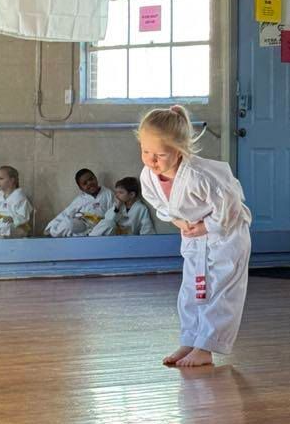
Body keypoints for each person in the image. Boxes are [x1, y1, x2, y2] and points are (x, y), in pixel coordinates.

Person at [138, 106, 251, 369]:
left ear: (180, 150)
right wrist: (179, 221)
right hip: (193, 236)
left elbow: (231, 207)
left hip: (227, 236)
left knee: (220, 290)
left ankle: (206, 347)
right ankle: (190, 339)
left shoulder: (201, 175)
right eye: (145, 151)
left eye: (160, 154)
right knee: (191, 288)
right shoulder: (148, 176)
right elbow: (159, 204)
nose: (152, 160)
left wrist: (206, 226)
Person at [44, 168, 116, 237]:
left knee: (110, 224)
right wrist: (51, 227)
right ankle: (54, 234)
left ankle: (89, 238)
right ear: (81, 188)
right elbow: (66, 213)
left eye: (91, 179)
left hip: (99, 227)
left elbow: (114, 212)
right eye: (85, 183)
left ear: (96, 178)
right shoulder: (80, 199)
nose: (89, 183)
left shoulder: (107, 193)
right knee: (69, 224)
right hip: (83, 225)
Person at [89, 176, 155, 236]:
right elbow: (108, 220)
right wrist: (117, 208)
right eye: (116, 192)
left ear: (131, 194)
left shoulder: (141, 208)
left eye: (121, 192)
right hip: (114, 236)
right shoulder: (118, 205)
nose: (117, 195)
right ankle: (90, 239)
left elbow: (147, 228)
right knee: (107, 223)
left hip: (129, 239)